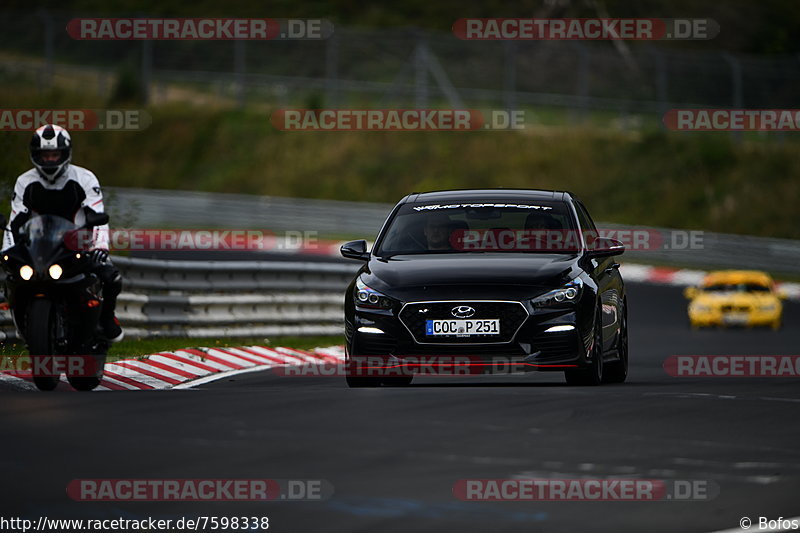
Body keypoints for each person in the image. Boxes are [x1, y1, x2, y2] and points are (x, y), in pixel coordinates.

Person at [2, 124, 123, 342]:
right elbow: (15, 220)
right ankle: (22, 320)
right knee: (11, 277)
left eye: (54, 154)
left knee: (111, 277)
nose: (49, 160)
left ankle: (107, 319)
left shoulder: (85, 178)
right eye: (44, 155)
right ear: (35, 155)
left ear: (65, 153)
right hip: (38, 248)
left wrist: (100, 248)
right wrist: (7, 251)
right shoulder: (24, 182)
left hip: (77, 245)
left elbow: (98, 216)